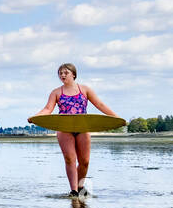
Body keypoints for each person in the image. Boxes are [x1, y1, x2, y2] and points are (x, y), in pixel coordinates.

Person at [36, 63, 119, 197]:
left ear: (73, 74)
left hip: (83, 127)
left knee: (84, 161)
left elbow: (100, 104)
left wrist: (116, 118)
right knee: (70, 159)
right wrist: (36, 117)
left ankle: (80, 186)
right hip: (64, 127)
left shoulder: (85, 89)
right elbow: (48, 109)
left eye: (65, 73)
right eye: (60, 73)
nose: (62, 75)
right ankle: (74, 191)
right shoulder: (56, 92)